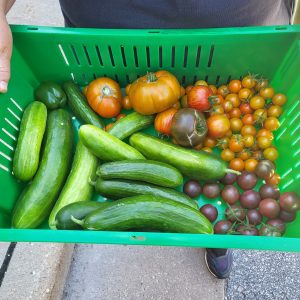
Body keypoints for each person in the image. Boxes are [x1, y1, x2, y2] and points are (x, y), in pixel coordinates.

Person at [0, 0, 294, 279]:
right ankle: (211, 230)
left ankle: (218, 238)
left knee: (203, 215)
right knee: (181, 196)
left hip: (237, 29)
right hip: (106, 35)